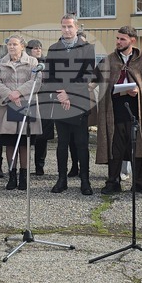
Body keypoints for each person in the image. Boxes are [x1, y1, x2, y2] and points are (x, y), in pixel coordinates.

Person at [95, 26, 142, 195]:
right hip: (114, 110)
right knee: (115, 146)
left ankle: (139, 182)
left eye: (122, 39)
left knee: (137, 145)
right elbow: (95, 78)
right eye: (117, 38)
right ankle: (113, 181)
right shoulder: (109, 60)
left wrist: (140, 90)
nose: (118, 42)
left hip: (136, 111)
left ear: (132, 40)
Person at [43, 14, 98, 195]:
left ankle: (85, 180)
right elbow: (49, 76)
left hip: (78, 100)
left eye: (70, 27)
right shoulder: (53, 48)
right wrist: (61, 94)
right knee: (62, 144)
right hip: (60, 101)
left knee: (81, 143)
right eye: (64, 27)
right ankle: (62, 179)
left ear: (76, 28)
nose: (67, 30)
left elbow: (87, 75)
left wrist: (69, 94)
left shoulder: (87, 48)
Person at [0, 34, 43, 191]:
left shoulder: (32, 61)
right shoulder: (1, 63)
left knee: (24, 142)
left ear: (22, 46)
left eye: (15, 44)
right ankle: (12, 175)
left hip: (25, 104)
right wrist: (10, 95)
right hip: (8, 105)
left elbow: (36, 81)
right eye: (9, 44)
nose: (11, 47)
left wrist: (18, 93)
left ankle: (24, 175)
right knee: (10, 142)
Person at [25, 39, 54, 175]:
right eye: (35, 48)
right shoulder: (25, 64)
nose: (38, 50)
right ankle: (24, 166)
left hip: (44, 102)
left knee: (42, 136)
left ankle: (39, 165)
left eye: (39, 48)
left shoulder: (47, 64)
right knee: (27, 135)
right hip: (28, 101)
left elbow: (53, 81)